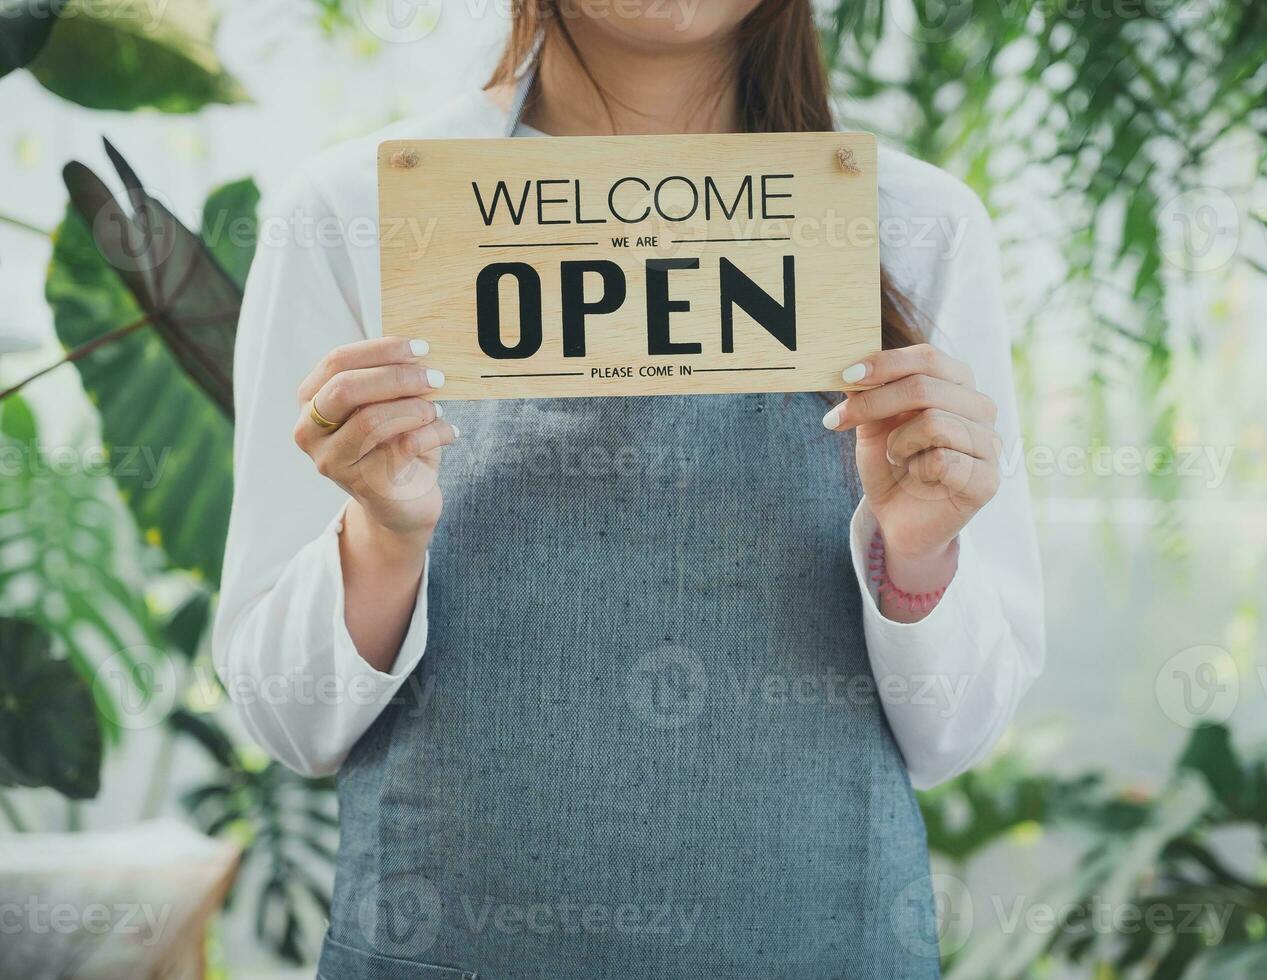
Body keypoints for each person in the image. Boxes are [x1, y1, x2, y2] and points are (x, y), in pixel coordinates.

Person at [214, 0, 1044, 975]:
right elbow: (287, 715)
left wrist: (919, 554)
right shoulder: (353, 212)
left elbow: (959, 729)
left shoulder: (916, 224)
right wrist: (381, 536)